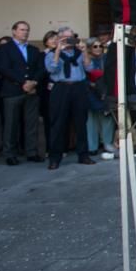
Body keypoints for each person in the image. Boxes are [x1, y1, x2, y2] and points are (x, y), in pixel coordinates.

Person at [0, 21, 45, 165]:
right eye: (22, 30)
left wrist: (34, 82)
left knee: (31, 123)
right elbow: (3, 68)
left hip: (32, 90)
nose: (25, 32)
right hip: (12, 90)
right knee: (11, 124)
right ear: (14, 31)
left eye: (27, 30)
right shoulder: (4, 49)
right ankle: (10, 154)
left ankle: (32, 152)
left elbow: (41, 68)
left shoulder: (34, 49)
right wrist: (23, 82)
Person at [45, 27, 96, 169]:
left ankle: (83, 155)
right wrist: (58, 50)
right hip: (61, 88)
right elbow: (51, 69)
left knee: (81, 122)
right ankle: (55, 157)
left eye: (71, 37)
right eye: (65, 38)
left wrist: (85, 50)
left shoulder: (79, 53)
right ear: (59, 39)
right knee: (58, 123)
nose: (69, 41)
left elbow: (89, 68)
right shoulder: (51, 54)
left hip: (78, 87)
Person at [83, 39, 115, 160]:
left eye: (100, 46)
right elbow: (82, 74)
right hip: (90, 91)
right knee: (91, 120)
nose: (98, 48)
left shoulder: (106, 58)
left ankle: (107, 144)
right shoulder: (85, 58)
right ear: (90, 48)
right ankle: (92, 147)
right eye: (95, 46)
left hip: (105, 91)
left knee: (107, 119)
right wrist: (90, 84)